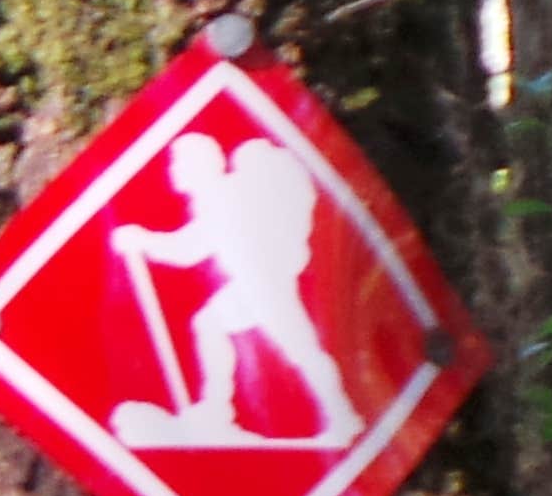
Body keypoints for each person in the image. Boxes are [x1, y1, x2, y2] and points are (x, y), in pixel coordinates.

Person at [107, 131, 362, 449]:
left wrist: (143, 241)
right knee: (210, 325)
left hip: (265, 286)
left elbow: (189, 248)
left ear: (199, 165)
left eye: (179, 163)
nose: (173, 170)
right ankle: (216, 410)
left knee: (301, 351)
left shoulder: (222, 197)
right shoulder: (215, 197)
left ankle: (342, 414)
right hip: (250, 286)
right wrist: (143, 242)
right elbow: (192, 246)